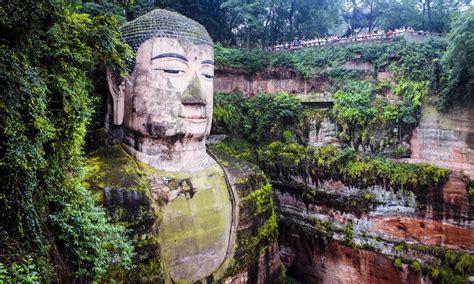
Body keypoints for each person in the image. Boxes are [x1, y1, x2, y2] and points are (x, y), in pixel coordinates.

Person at [106, 9, 233, 282]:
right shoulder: (101, 197)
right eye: (172, 70)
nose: (196, 95)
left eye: (207, 75)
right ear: (118, 86)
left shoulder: (245, 181)